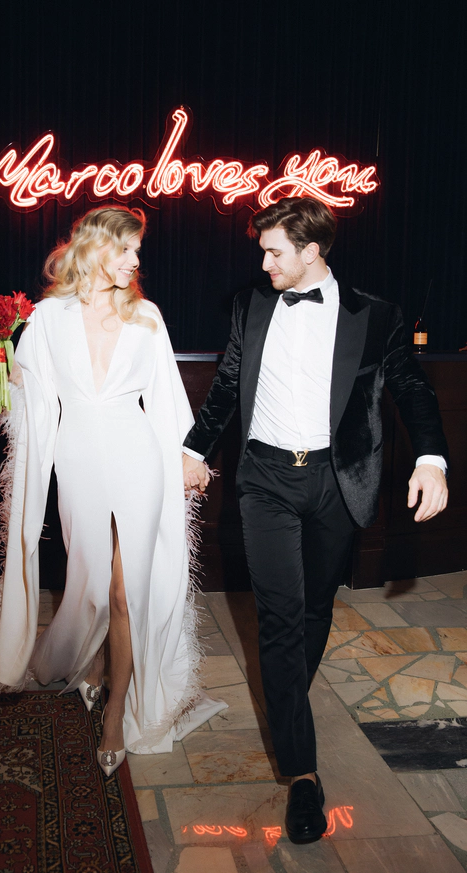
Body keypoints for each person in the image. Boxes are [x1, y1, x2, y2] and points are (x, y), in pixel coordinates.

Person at [181, 197, 448, 843]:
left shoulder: (375, 314)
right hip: (264, 480)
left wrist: (432, 459)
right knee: (277, 617)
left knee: (314, 609)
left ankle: (285, 700)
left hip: (336, 480)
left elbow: (411, 386)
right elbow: (228, 382)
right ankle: (303, 774)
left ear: (311, 251)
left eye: (274, 252)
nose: (263, 263)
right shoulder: (250, 304)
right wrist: (193, 448)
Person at [0, 206, 226, 775]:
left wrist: (190, 457)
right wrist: (2, 362)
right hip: (77, 461)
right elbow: (30, 396)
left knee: (126, 592)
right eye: (127, 249)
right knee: (92, 583)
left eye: (137, 250)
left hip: (138, 456)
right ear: (96, 247)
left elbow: (166, 395)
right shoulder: (48, 317)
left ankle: (117, 711)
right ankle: (92, 665)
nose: (135, 260)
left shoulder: (146, 316)